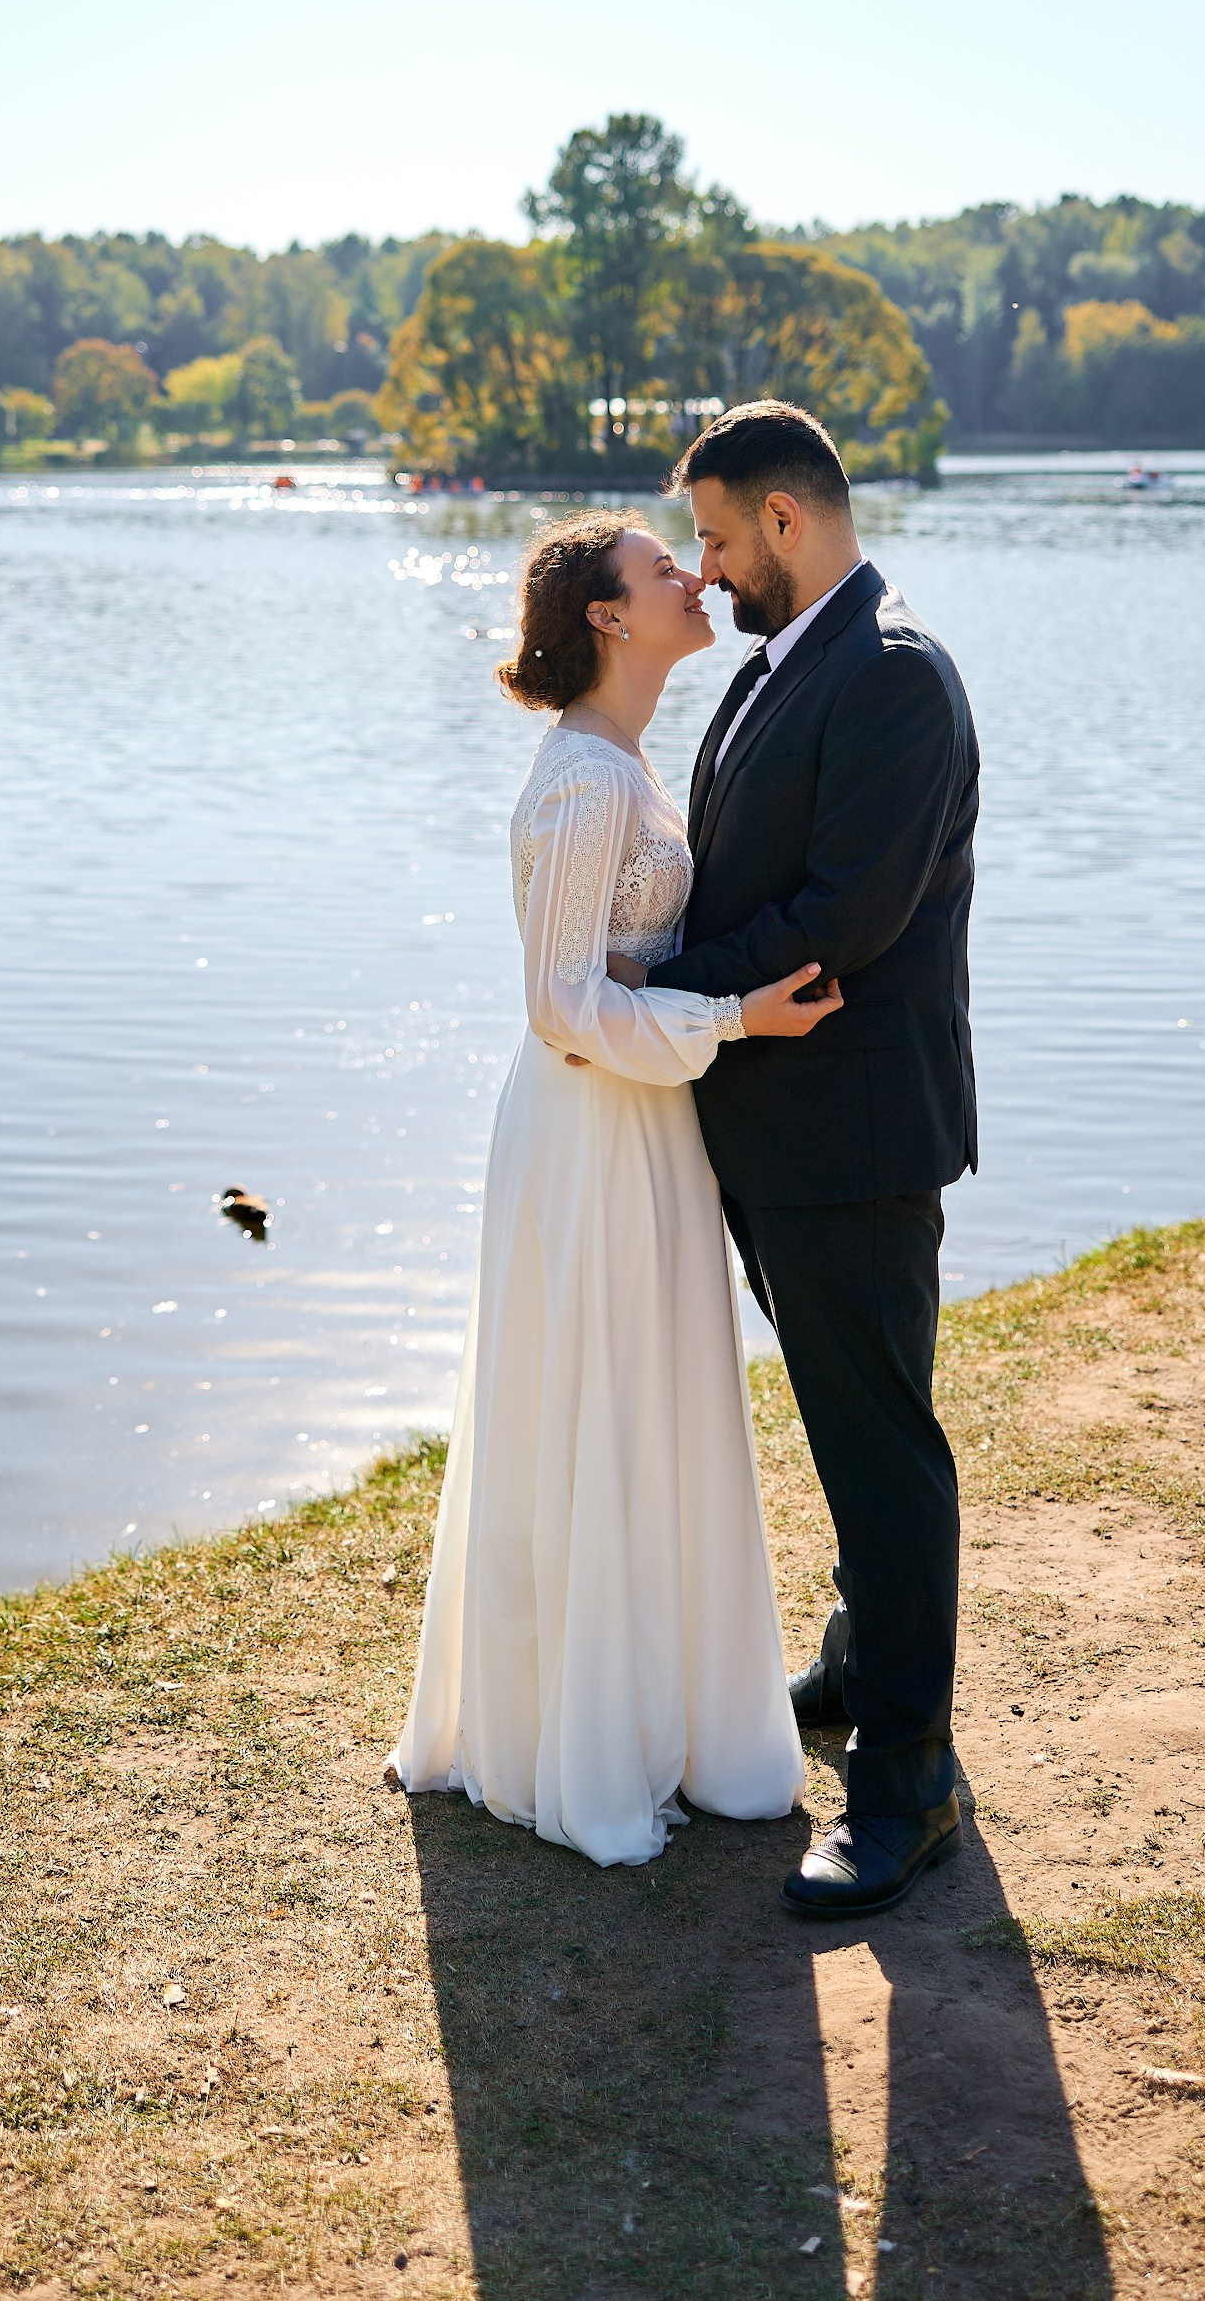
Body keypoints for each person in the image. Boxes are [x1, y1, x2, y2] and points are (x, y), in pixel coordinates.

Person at [392, 513, 844, 1867]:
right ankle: (588, 1739)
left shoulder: (629, 765)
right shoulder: (587, 783)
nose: (694, 577)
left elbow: (618, 966)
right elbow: (557, 1005)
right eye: (665, 569)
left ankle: (676, 1714)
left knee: (653, 1399)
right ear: (605, 615)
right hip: (590, 1124)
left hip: (645, 1119)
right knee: (597, 1396)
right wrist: (734, 1024)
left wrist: (685, 1005)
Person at [624, 399, 979, 1920]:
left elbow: (842, 918)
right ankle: (852, 1663)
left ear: (785, 518)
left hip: (855, 1136)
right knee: (845, 1425)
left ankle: (909, 1782)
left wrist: (660, 995)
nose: (704, 572)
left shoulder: (890, 678)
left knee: (884, 1446)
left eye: (712, 538)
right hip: (777, 1131)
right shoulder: (787, 662)